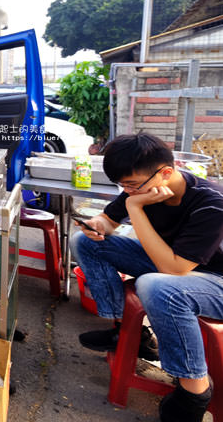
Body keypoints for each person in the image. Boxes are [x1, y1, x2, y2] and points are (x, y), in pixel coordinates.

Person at [73, 133, 223, 422]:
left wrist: (135, 207)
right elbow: (109, 220)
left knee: (156, 286)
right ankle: (128, 333)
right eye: (124, 186)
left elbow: (174, 270)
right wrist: (97, 225)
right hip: (174, 263)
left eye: (132, 185)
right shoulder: (144, 186)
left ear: (165, 172)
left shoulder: (212, 203)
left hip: (215, 280)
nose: (128, 191)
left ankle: (195, 391)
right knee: (84, 242)